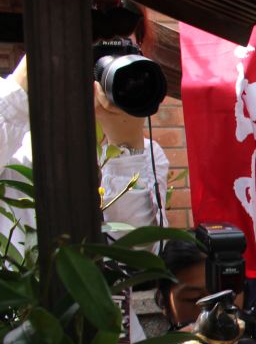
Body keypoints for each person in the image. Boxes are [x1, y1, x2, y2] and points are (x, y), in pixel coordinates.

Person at [0, 42, 169, 251]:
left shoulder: (149, 154)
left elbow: (141, 254)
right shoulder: (18, 141)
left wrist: (127, 148)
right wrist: (22, 87)